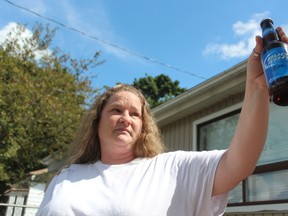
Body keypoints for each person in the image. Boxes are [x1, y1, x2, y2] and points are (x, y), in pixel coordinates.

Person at [36, 27, 288, 216]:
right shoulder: (65, 177)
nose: (125, 118)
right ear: (97, 121)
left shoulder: (171, 169)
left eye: (135, 114)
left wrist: (256, 87)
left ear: (143, 127)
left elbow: (238, 164)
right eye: (116, 110)